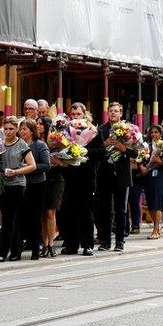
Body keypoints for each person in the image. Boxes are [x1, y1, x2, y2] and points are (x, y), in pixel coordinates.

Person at [93, 104, 137, 252]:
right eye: (110, 111)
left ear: (120, 113)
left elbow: (137, 153)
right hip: (105, 174)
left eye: (116, 111)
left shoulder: (129, 130)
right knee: (105, 209)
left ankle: (119, 241)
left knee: (121, 209)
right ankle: (105, 241)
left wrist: (123, 149)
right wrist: (105, 144)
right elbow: (94, 151)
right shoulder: (100, 130)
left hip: (122, 174)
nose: (112, 113)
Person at [0, 116, 34, 262]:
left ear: (16, 129)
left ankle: (1, 252)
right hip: (1, 184)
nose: (8, 132)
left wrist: (16, 172)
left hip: (17, 184)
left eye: (11, 129)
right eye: (6, 129)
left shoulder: (22, 144)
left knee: (8, 218)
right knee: (10, 218)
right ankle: (16, 251)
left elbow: (32, 165)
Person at [61, 102, 98, 256]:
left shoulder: (93, 131)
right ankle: (71, 244)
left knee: (85, 211)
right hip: (69, 175)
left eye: (79, 115)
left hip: (86, 176)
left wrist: (83, 151)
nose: (76, 118)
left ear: (84, 115)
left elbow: (100, 152)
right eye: (73, 115)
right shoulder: (65, 130)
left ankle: (87, 244)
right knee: (69, 211)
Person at [17, 117, 49, 260]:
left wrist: (29, 168)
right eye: (21, 129)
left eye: (24, 129)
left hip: (37, 184)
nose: (21, 132)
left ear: (31, 131)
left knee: (35, 217)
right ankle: (21, 247)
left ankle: (36, 249)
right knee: (22, 217)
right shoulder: (18, 144)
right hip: (21, 184)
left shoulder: (40, 145)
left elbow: (46, 165)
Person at [41, 115, 64, 257]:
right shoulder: (35, 140)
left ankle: (51, 243)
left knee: (50, 212)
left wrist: (60, 162)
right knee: (42, 213)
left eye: (41, 124)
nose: (38, 126)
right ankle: (44, 243)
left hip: (56, 178)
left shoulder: (58, 139)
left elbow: (66, 161)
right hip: (41, 178)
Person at [144, 125, 163, 240]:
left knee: (158, 203)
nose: (154, 134)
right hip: (149, 177)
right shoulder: (147, 146)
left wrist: (159, 161)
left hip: (161, 176)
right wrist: (142, 167)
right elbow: (141, 159)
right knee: (150, 203)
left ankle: (155, 230)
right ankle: (157, 225)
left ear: (161, 134)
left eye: (156, 132)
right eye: (152, 132)